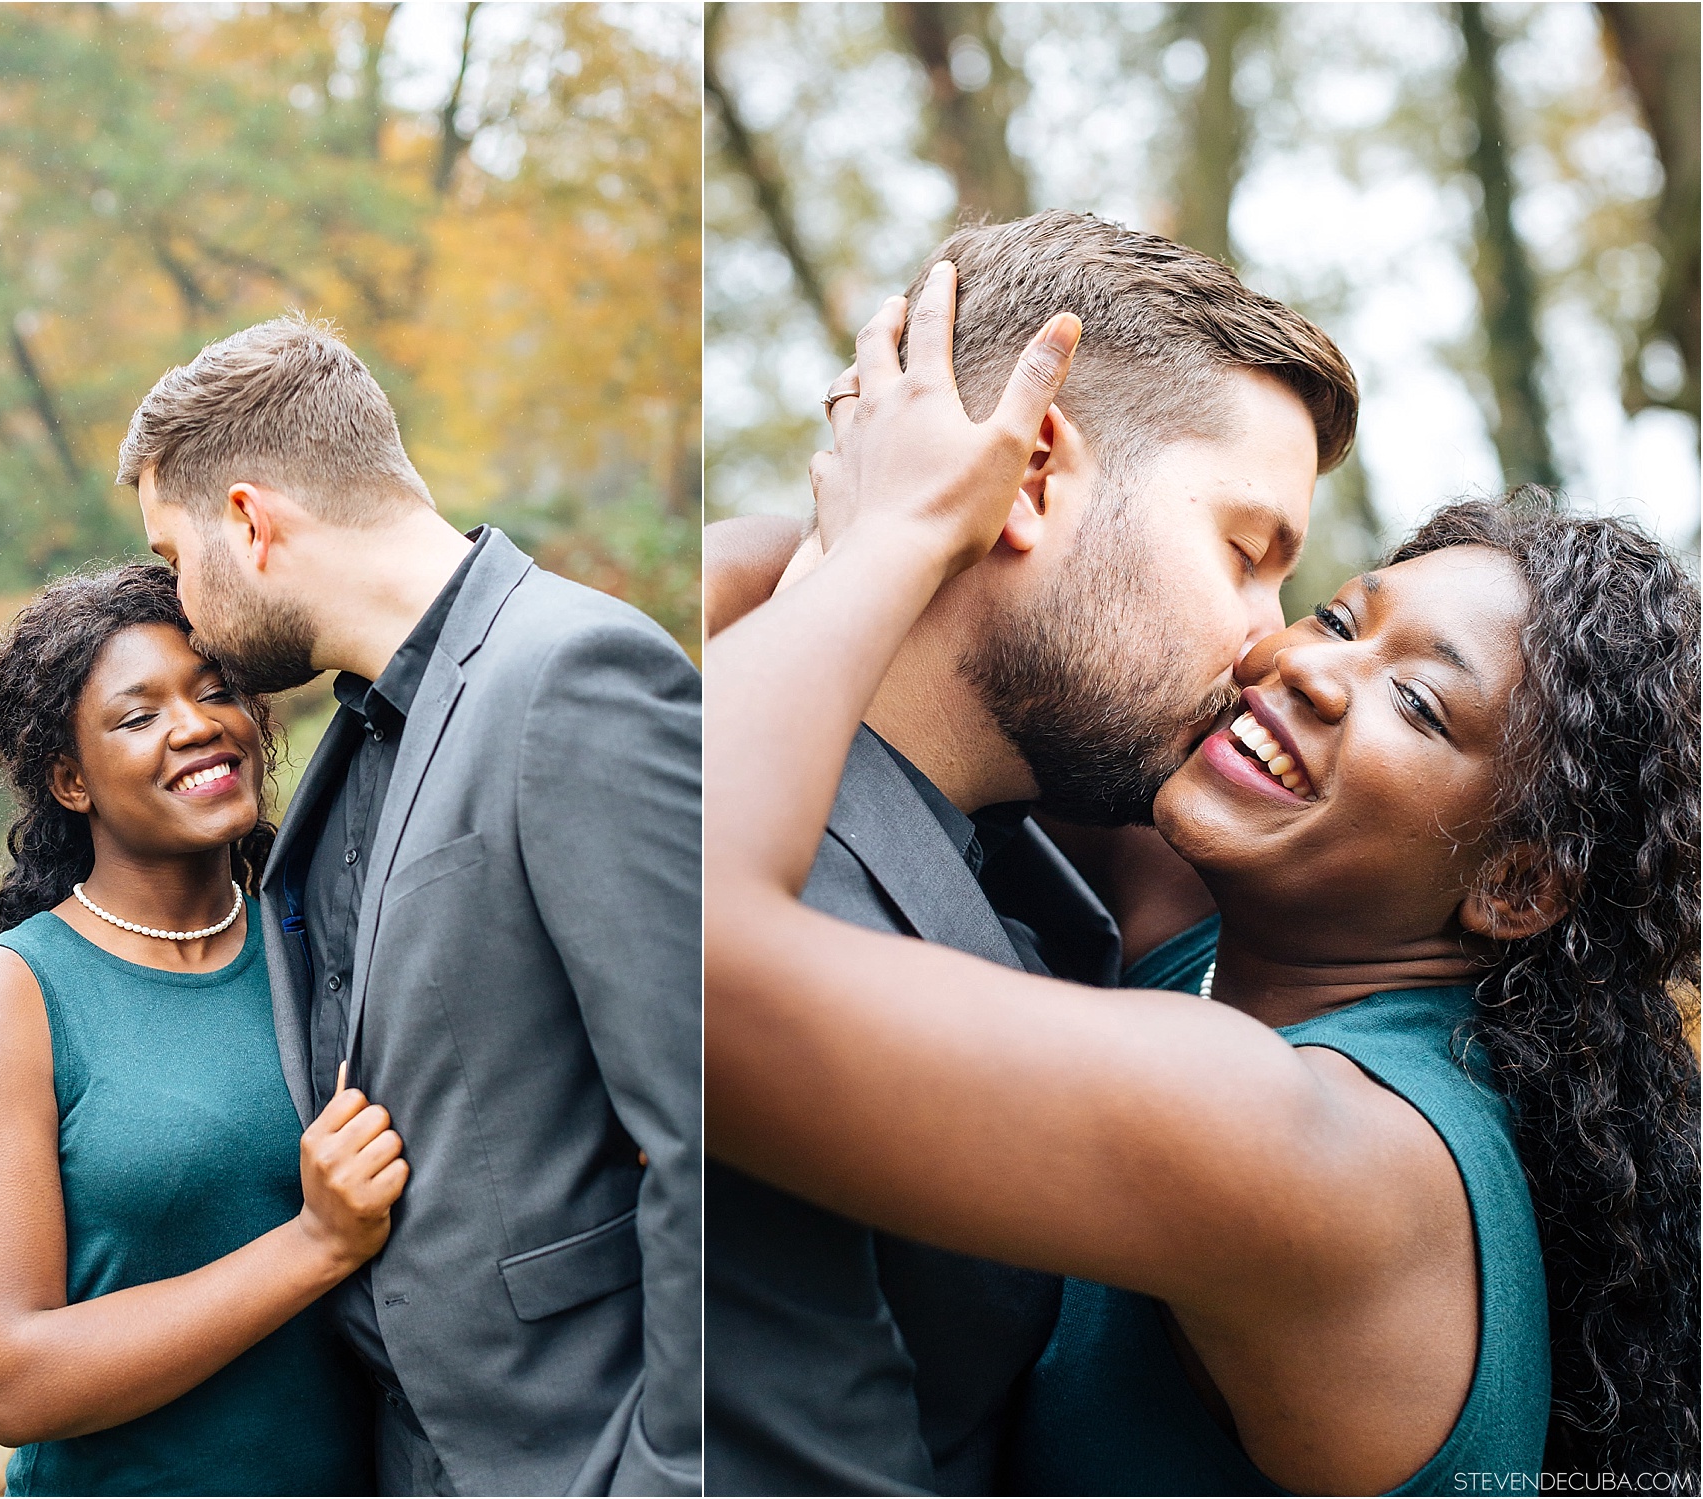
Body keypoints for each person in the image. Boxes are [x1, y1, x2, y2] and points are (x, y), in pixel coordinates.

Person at [705, 264, 1700, 1493]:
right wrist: (870, 514)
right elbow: (1039, 655)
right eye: (1338, 619)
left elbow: (696, 974)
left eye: (1417, 702)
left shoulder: (1308, 1144)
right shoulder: (1227, 946)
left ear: (1510, 885)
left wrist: (891, 534)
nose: (1290, 659)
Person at [704, 209, 1359, 1496]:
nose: (1264, 643)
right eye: (1242, 552)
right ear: (1029, 478)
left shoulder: (1032, 874)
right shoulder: (783, 900)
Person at [117, 313, 702, 1496]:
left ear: (248, 519)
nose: (183, 602)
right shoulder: (361, 726)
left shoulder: (571, 672)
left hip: (575, 1455)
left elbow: (718, 1129)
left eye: (175, 557)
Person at [0, 564, 408, 1495]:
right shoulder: (7, 1000)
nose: (196, 724)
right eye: (138, 716)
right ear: (71, 780)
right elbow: (14, 1383)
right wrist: (314, 1244)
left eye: (216, 689)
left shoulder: (323, 940)